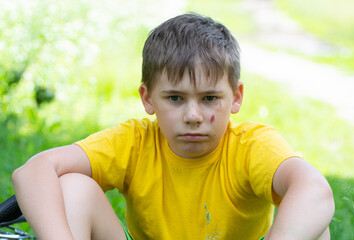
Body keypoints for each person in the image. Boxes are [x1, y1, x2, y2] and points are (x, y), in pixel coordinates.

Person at [12, 13, 334, 240]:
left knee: (315, 223)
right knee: (73, 188)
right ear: (148, 98)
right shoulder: (135, 142)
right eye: (176, 98)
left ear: (236, 98)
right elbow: (31, 172)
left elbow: (316, 190)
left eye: (209, 98)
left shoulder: (252, 145)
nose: (193, 115)